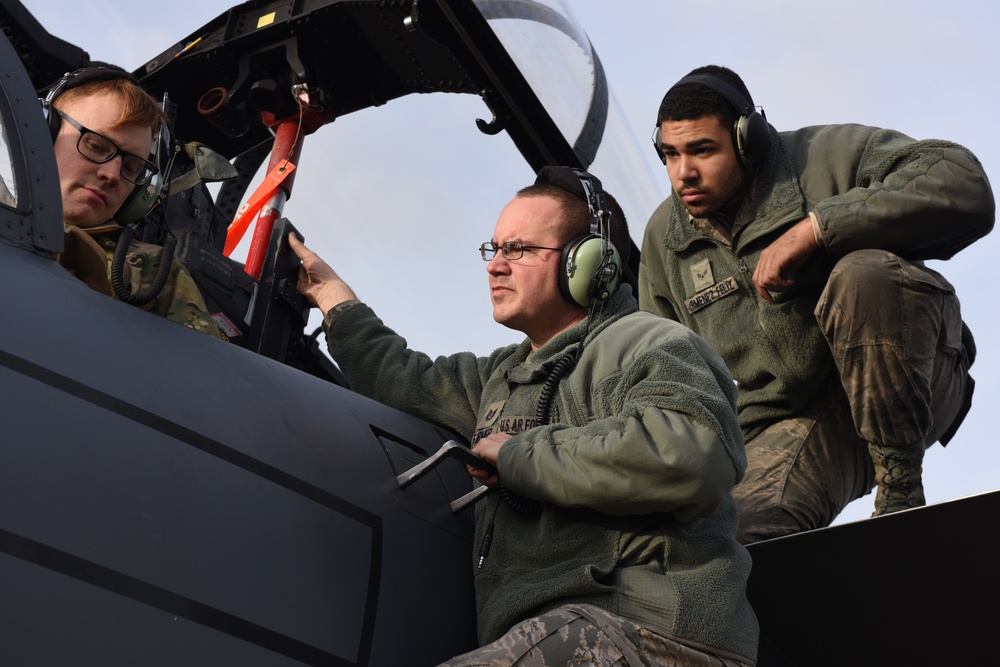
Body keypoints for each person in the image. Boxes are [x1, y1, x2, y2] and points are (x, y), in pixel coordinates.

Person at [290, 166, 759, 666]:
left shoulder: (651, 344)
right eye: (494, 249)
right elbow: (401, 378)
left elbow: (689, 454)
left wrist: (520, 454)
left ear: (589, 264)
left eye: (518, 249)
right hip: (563, 632)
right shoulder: (502, 377)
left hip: (653, 635)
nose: (495, 266)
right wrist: (330, 296)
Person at [640, 65, 995, 543]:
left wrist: (818, 228)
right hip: (792, 421)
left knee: (862, 275)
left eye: (703, 150)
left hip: (915, 370)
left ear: (750, 141)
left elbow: (963, 181)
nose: (684, 172)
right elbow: (663, 382)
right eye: (670, 154)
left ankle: (901, 495)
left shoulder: (827, 158)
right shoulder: (665, 240)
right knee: (729, 541)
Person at [44, 65, 224, 339]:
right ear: (45, 131)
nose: (112, 175)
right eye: (95, 146)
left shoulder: (157, 276)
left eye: (130, 168)